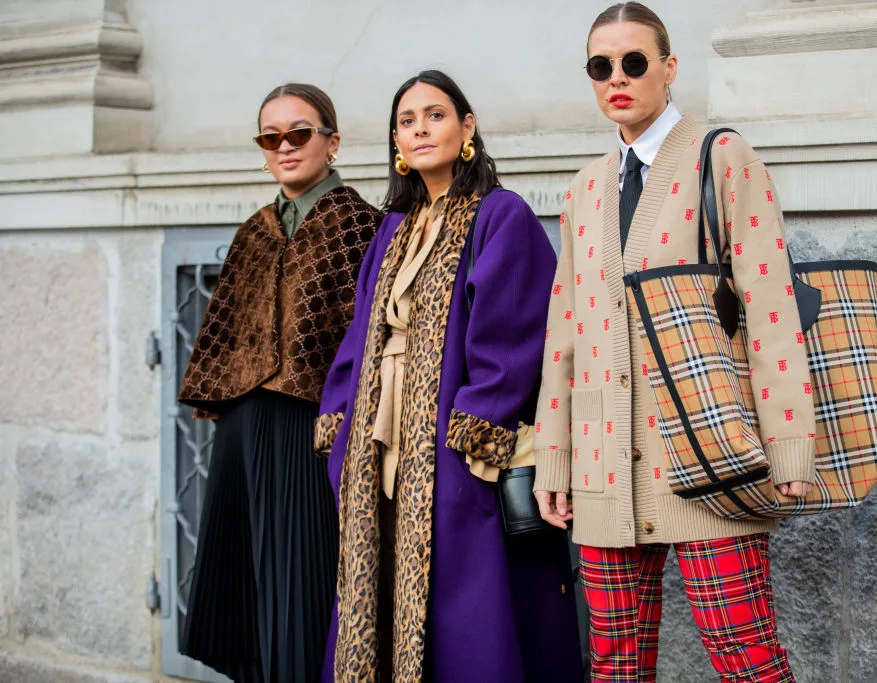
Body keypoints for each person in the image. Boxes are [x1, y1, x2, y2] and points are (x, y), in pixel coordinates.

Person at [533, 4, 814, 682]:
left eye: (635, 62)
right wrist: (554, 457)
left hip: (706, 450)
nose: (617, 79)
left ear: (669, 67)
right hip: (604, 465)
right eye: (601, 67)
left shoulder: (720, 158)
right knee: (614, 665)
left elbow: (772, 307)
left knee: (748, 658)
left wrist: (790, 444)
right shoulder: (583, 188)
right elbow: (563, 333)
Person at [316, 70, 583, 683]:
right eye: (407, 121)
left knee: (463, 605)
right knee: (382, 587)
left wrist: (469, 435)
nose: (420, 130)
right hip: (381, 440)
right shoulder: (393, 227)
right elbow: (362, 335)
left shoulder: (500, 215)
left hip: (453, 445)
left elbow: (512, 335)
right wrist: (343, 427)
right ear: (395, 143)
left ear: (467, 128)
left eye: (435, 116)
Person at [177, 83, 382, 682]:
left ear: (332, 141)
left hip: (313, 423)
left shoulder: (361, 226)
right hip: (243, 424)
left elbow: (367, 334)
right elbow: (226, 331)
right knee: (245, 579)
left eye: (299, 133)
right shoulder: (255, 230)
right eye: (272, 137)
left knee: (305, 575)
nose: (285, 147)